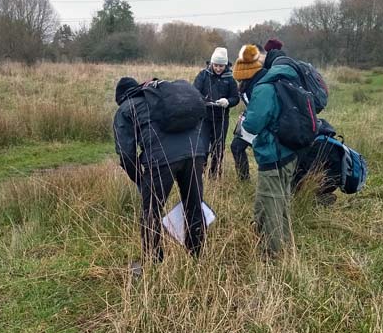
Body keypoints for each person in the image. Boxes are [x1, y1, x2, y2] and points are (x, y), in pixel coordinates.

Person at [113, 77, 208, 267]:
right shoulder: (160, 98)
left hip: (161, 159)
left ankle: (154, 261)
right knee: (194, 204)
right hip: (195, 152)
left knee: (151, 211)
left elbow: (125, 153)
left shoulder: (125, 109)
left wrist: (140, 180)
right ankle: (197, 255)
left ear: (120, 97)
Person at [242, 61, 300, 258]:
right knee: (281, 199)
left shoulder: (264, 90)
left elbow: (252, 125)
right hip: (291, 151)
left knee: (271, 203)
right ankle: (278, 238)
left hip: (272, 155)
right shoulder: (288, 83)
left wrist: (245, 118)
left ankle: (273, 252)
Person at [193, 47, 239, 178]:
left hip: (221, 118)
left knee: (218, 148)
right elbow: (194, 91)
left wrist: (228, 101)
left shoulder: (230, 79)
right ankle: (199, 173)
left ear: (226, 65)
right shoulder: (203, 75)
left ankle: (214, 176)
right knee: (201, 146)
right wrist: (202, 100)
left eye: (221, 66)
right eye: (216, 65)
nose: (218, 68)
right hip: (204, 117)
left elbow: (236, 97)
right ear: (211, 63)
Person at [230, 44, 267, 181]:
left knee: (262, 152)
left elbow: (261, 106)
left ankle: (266, 181)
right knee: (236, 146)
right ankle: (244, 180)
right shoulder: (246, 82)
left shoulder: (261, 79)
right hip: (251, 120)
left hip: (262, 123)